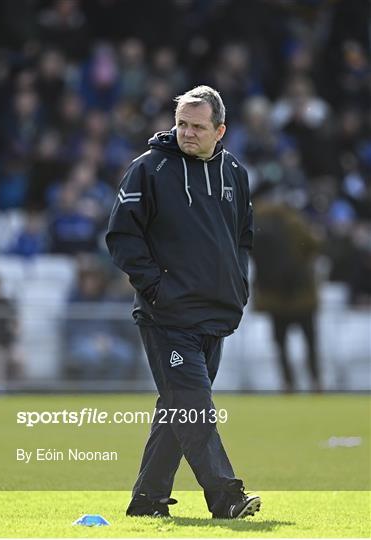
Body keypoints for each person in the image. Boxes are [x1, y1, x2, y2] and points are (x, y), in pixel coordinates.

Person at [106, 86, 260, 519]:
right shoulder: (149, 169)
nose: (186, 133)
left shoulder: (236, 173)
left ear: (220, 129)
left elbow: (243, 237)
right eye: (181, 124)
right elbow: (121, 236)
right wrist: (156, 288)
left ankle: (147, 500)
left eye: (197, 126)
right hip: (167, 315)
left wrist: (238, 285)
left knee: (178, 408)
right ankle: (226, 496)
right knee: (195, 408)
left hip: (216, 313)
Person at [252, 201, 321, 392]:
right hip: (301, 295)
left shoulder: (257, 222)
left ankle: (288, 382)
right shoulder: (294, 221)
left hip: (274, 297)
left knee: (281, 344)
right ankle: (315, 381)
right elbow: (314, 246)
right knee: (310, 341)